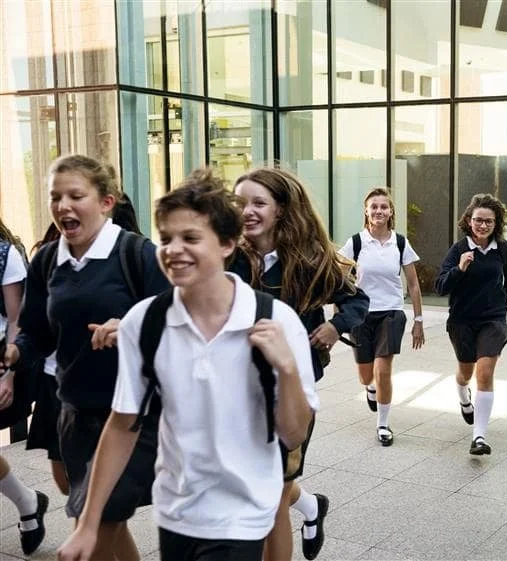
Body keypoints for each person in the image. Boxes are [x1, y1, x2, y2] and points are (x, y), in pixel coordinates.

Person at [58, 169, 318, 561]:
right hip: (176, 511)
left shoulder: (276, 321)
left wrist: (288, 370)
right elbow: (122, 425)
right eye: (166, 238)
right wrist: (89, 524)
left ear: (228, 243)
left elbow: (293, 433)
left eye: (191, 238)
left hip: (243, 512)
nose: (173, 250)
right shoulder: (143, 322)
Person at [4, 154, 170, 561]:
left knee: (95, 526)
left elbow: (173, 323)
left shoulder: (138, 254)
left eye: (75, 195)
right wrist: (12, 352)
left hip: (132, 413)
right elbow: (36, 333)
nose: (63, 206)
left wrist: (129, 325)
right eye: (55, 197)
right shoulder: (47, 260)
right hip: (75, 410)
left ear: (106, 202)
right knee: (105, 523)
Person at [230, 166, 368, 561]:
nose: (248, 211)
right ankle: (309, 506)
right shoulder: (227, 255)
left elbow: (356, 300)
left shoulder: (311, 259)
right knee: (252, 483)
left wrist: (334, 327)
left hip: (288, 391)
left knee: (272, 496)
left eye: (259, 202)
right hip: (233, 388)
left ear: (282, 210)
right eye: (240, 203)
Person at [339, 187, 425, 446]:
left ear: (390, 212)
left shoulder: (399, 243)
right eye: (374, 206)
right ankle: (370, 388)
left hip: (391, 312)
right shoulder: (355, 242)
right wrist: (340, 314)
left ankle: (383, 425)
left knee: (383, 369)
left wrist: (418, 321)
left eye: (383, 207)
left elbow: (413, 284)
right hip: (361, 314)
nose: (379, 211)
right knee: (366, 376)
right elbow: (339, 279)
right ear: (366, 211)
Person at [435, 193, 507, 456]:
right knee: (466, 372)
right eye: (478, 220)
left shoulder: (504, 249)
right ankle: (463, 396)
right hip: (462, 321)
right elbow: (440, 287)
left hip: (493, 319)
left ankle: (479, 437)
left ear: (496, 224)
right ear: (469, 221)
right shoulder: (459, 249)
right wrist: (459, 269)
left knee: (485, 372)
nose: (483, 226)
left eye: (489, 222)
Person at [0, 217, 49, 556]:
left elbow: (18, 318)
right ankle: (28, 502)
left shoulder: (5, 254)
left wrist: (7, 373)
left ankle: (28, 502)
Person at [25, 223, 69, 496]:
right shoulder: (46, 258)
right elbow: (30, 325)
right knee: (65, 484)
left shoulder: (128, 253)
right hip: (53, 381)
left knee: (91, 500)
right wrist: (16, 352)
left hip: (99, 391)